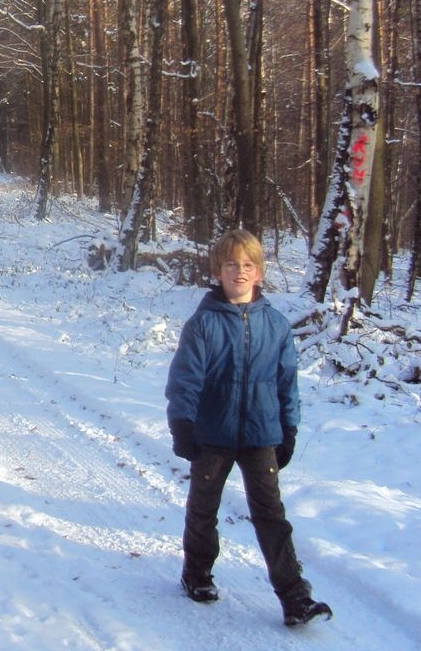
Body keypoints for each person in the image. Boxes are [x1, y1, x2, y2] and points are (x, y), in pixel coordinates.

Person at [165, 229, 332, 627]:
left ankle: (294, 597)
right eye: (231, 264)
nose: (239, 272)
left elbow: (286, 382)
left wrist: (288, 428)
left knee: (271, 515)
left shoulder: (275, 325)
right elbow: (186, 379)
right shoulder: (203, 324)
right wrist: (182, 423)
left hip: (261, 434)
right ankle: (197, 574)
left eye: (247, 265)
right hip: (212, 433)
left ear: (259, 272)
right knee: (203, 508)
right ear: (217, 271)